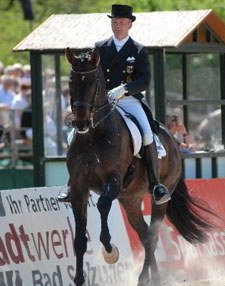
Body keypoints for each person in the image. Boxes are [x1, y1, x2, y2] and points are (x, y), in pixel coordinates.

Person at [58, 4, 170, 204]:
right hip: (101, 103)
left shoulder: (138, 50)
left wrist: (124, 90)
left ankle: (155, 185)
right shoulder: (100, 47)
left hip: (127, 100)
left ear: (129, 25)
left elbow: (144, 80)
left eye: (122, 23)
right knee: (74, 134)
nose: (118, 26)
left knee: (145, 133)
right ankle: (71, 184)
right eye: (115, 22)